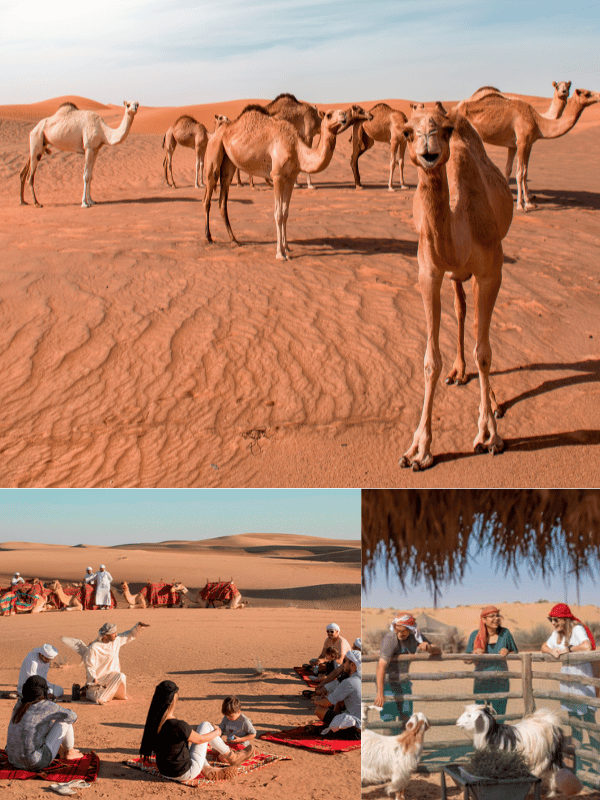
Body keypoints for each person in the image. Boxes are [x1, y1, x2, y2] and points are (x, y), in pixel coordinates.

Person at [139, 680, 255, 782]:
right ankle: (232, 756)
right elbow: (200, 740)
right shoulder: (179, 725)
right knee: (206, 725)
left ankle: (208, 769)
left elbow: (184, 730)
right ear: (174, 701)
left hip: (164, 771)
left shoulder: (156, 723)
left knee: (185, 748)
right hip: (185, 773)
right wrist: (217, 732)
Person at [541, 603, 599, 752]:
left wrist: (569, 649)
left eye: (556, 620)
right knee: (573, 721)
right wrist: (551, 650)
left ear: (565, 619)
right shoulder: (557, 633)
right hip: (568, 677)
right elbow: (543, 646)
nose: (553, 623)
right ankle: (578, 761)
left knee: (589, 720)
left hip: (582, 675)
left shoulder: (577, 629)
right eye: (551, 620)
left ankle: (597, 759)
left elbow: (587, 647)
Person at [375, 612, 440, 729]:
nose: (400, 634)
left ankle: (403, 745)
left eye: (403, 631)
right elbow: (381, 666)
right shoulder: (390, 639)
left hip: (404, 683)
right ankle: (390, 746)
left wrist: (428, 647)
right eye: (397, 630)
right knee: (389, 719)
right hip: (388, 684)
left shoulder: (416, 636)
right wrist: (380, 693)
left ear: (410, 629)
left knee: (406, 717)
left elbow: (438, 651)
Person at [5, 676, 82, 770]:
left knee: (43, 721)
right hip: (36, 762)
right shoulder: (46, 706)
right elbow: (72, 716)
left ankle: (61, 750)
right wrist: (50, 702)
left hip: (13, 760)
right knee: (64, 720)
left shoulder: (19, 704)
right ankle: (70, 752)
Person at [465, 605, 518, 715]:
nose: (496, 618)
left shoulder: (505, 633)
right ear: (483, 619)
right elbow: (466, 660)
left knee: (499, 715)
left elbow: (515, 652)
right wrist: (474, 653)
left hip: (501, 682)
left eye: (498, 615)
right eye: (492, 616)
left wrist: (507, 651)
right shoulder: (475, 635)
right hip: (481, 682)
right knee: (481, 715)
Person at [83, 621, 150, 704]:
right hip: (98, 680)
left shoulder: (116, 641)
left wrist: (138, 627)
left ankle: (112, 694)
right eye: (113, 633)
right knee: (100, 699)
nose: (116, 635)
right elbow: (90, 665)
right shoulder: (94, 647)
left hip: (111, 677)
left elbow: (129, 635)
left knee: (121, 676)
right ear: (106, 636)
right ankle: (94, 693)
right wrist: (93, 678)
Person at [314, 651, 361, 739]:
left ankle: (333, 730)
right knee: (339, 701)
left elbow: (326, 703)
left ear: (352, 665)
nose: (343, 665)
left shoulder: (349, 682)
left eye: (345, 661)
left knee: (319, 710)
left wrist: (317, 700)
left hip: (357, 731)